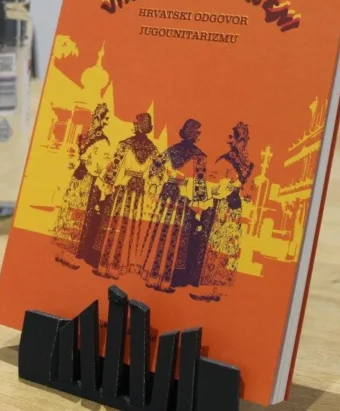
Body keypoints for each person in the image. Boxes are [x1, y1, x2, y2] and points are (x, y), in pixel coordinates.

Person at [141, 118, 209, 292]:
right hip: (182, 201)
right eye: (198, 132)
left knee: (162, 233)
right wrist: (199, 207)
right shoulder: (199, 156)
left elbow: (153, 169)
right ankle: (165, 281)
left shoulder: (171, 150)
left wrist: (167, 179)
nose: (200, 136)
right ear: (192, 133)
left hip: (167, 195)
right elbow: (199, 186)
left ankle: (152, 277)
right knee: (175, 238)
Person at [92, 113, 158, 279]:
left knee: (115, 224)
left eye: (135, 123)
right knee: (130, 226)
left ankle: (105, 266)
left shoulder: (125, 144)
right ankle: (120, 267)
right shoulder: (153, 149)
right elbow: (156, 174)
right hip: (139, 190)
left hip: (123, 188)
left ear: (137, 126)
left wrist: (106, 185)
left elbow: (113, 169)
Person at [194, 122, 254, 301]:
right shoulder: (247, 164)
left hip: (222, 207)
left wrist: (209, 192)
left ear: (238, 139)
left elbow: (218, 186)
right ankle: (218, 290)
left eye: (231, 137)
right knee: (227, 247)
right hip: (235, 208)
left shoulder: (226, 160)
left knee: (215, 247)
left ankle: (208, 290)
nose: (228, 140)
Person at [53, 104, 112, 269]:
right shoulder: (102, 140)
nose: (107, 122)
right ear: (99, 118)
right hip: (87, 181)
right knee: (79, 216)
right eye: (106, 118)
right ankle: (69, 256)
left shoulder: (85, 135)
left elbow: (78, 156)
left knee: (71, 213)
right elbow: (98, 166)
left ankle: (62, 252)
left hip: (77, 178)